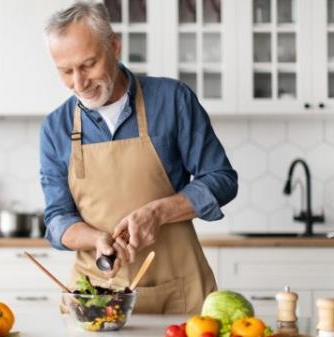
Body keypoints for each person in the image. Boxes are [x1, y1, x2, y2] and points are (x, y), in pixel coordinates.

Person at [40, 1, 238, 314]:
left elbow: (222, 179)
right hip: (97, 297)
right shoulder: (55, 127)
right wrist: (98, 238)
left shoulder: (172, 100)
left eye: (88, 64)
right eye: (66, 71)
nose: (79, 83)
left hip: (180, 291)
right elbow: (56, 219)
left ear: (114, 46)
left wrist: (158, 213)